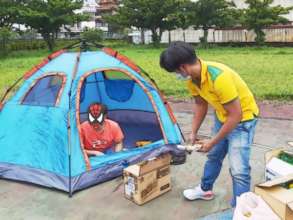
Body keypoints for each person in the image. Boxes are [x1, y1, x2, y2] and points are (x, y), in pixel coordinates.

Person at [160, 41, 259, 207]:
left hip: (243, 120)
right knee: (214, 156)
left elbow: (236, 116)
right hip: (222, 117)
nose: (176, 75)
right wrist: (193, 133)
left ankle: (241, 209)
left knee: (238, 169)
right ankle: (205, 189)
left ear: (183, 67)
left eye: (175, 71)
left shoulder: (219, 77)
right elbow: (201, 104)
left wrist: (212, 142)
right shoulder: (192, 80)